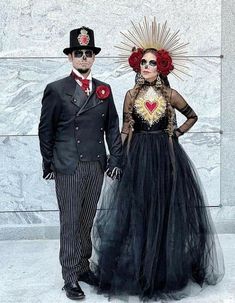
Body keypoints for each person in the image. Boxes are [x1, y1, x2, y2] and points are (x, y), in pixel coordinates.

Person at [91, 18, 224, 301]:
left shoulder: (170, 94)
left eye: (152, 63)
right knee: (137, 209)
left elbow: (193, 116)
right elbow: (127, 128)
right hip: (137, 156)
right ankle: (140, 269)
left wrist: (176, 132)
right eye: (144, 63)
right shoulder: (130, 95)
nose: (147, 67)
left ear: (161, 67)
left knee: (164, 208)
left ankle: (163, 270)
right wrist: (118, 159)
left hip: (165, 156)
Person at [38, 26, 122, 300]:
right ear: (70, 57)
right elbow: (46, 129)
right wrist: (48, 163)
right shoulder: (56, 89)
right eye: (79, 53)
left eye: (88, 53)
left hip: (96, 164)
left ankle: (84, 267)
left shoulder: (104, 90)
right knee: (70, 221)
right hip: (68, 165)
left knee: (87, 219)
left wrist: (115, 158)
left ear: (94, 58)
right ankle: (70, 276)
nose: (84, 58)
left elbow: (112, 127)